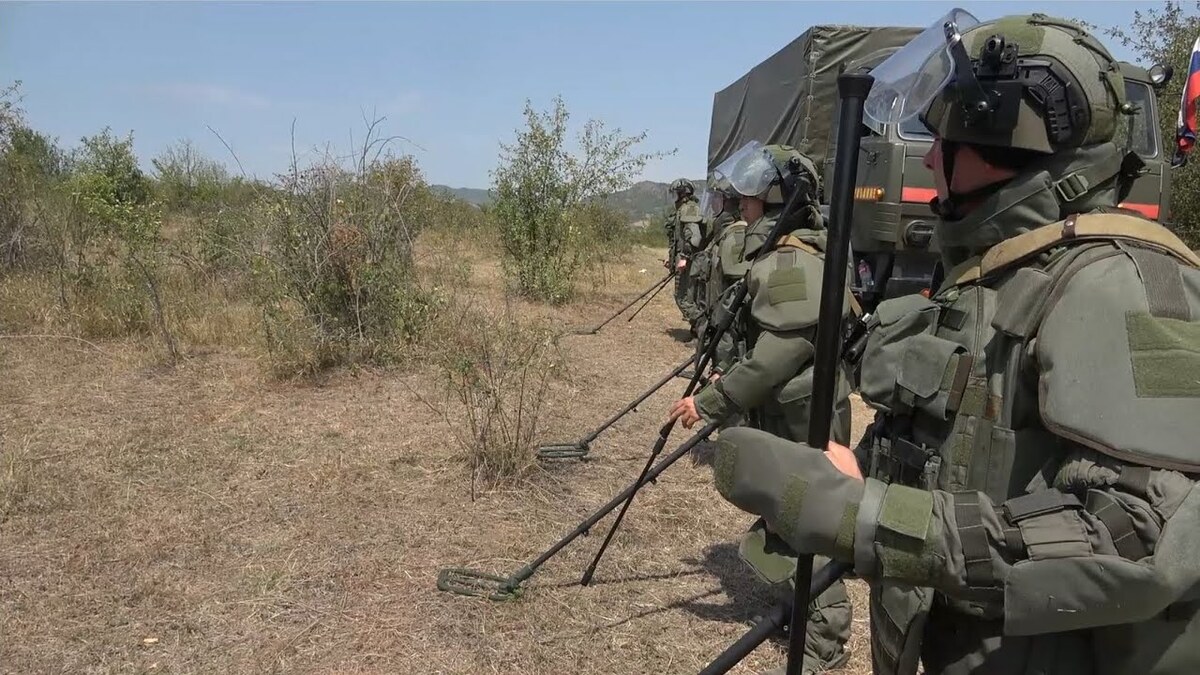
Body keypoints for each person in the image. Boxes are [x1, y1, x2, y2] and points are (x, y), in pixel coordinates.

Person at [713, 14, 1200, 675]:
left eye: (946, 137)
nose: (933, 156)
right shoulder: (1004, 271)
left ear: (1011, 139)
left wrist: (867, 518)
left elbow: (1141, 536)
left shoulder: (1125, 286)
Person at [670, 142, 855, 673]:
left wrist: (710, 401)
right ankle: (805, 613)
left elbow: (780, 355)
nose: (742, 206)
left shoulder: (791, 258)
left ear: (777, 198)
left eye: (750, 197)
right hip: (795, 404)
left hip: (801, 410)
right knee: (792, 512)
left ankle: (821, 648)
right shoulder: (788, 251)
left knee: (808, 515)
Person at [666, 178, 705, 330]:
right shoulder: (682, 209)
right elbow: (678, 240)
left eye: (675, 194)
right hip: (688, 262)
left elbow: (694, 237)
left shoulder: (689, 209)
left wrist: (684, 258)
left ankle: (701, 331)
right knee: (686, 298)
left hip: (691, 263)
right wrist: (671, 258)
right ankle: (698, 331)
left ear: (683, 194)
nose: (673, 198)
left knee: (685, 299)